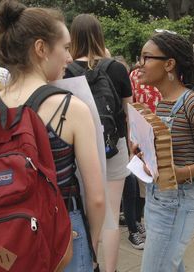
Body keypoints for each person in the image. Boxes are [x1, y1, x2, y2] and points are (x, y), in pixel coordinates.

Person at [0, 1, 106, 271]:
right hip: (63, 234)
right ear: (40, 48)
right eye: (66, 47)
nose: (70, 58)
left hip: (1, 237)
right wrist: (92, 242)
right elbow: (96, 197)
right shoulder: (70, 108)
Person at [137, 31, 194, 272]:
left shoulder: (193, 103)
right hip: (158, 197)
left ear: (169, 64)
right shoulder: (162, 101)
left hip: (177, 202)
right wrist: (147, 155)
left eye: (147, 57)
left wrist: (181, 172)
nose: (140, 64)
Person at [66, 14, 132, 272]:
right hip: (114, 147)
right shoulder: (116, 68)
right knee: (112, 217)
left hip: (78, 151)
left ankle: (90, 263)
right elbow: (128, 110)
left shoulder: (67, 70)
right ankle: (111, 269)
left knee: (85, 210)